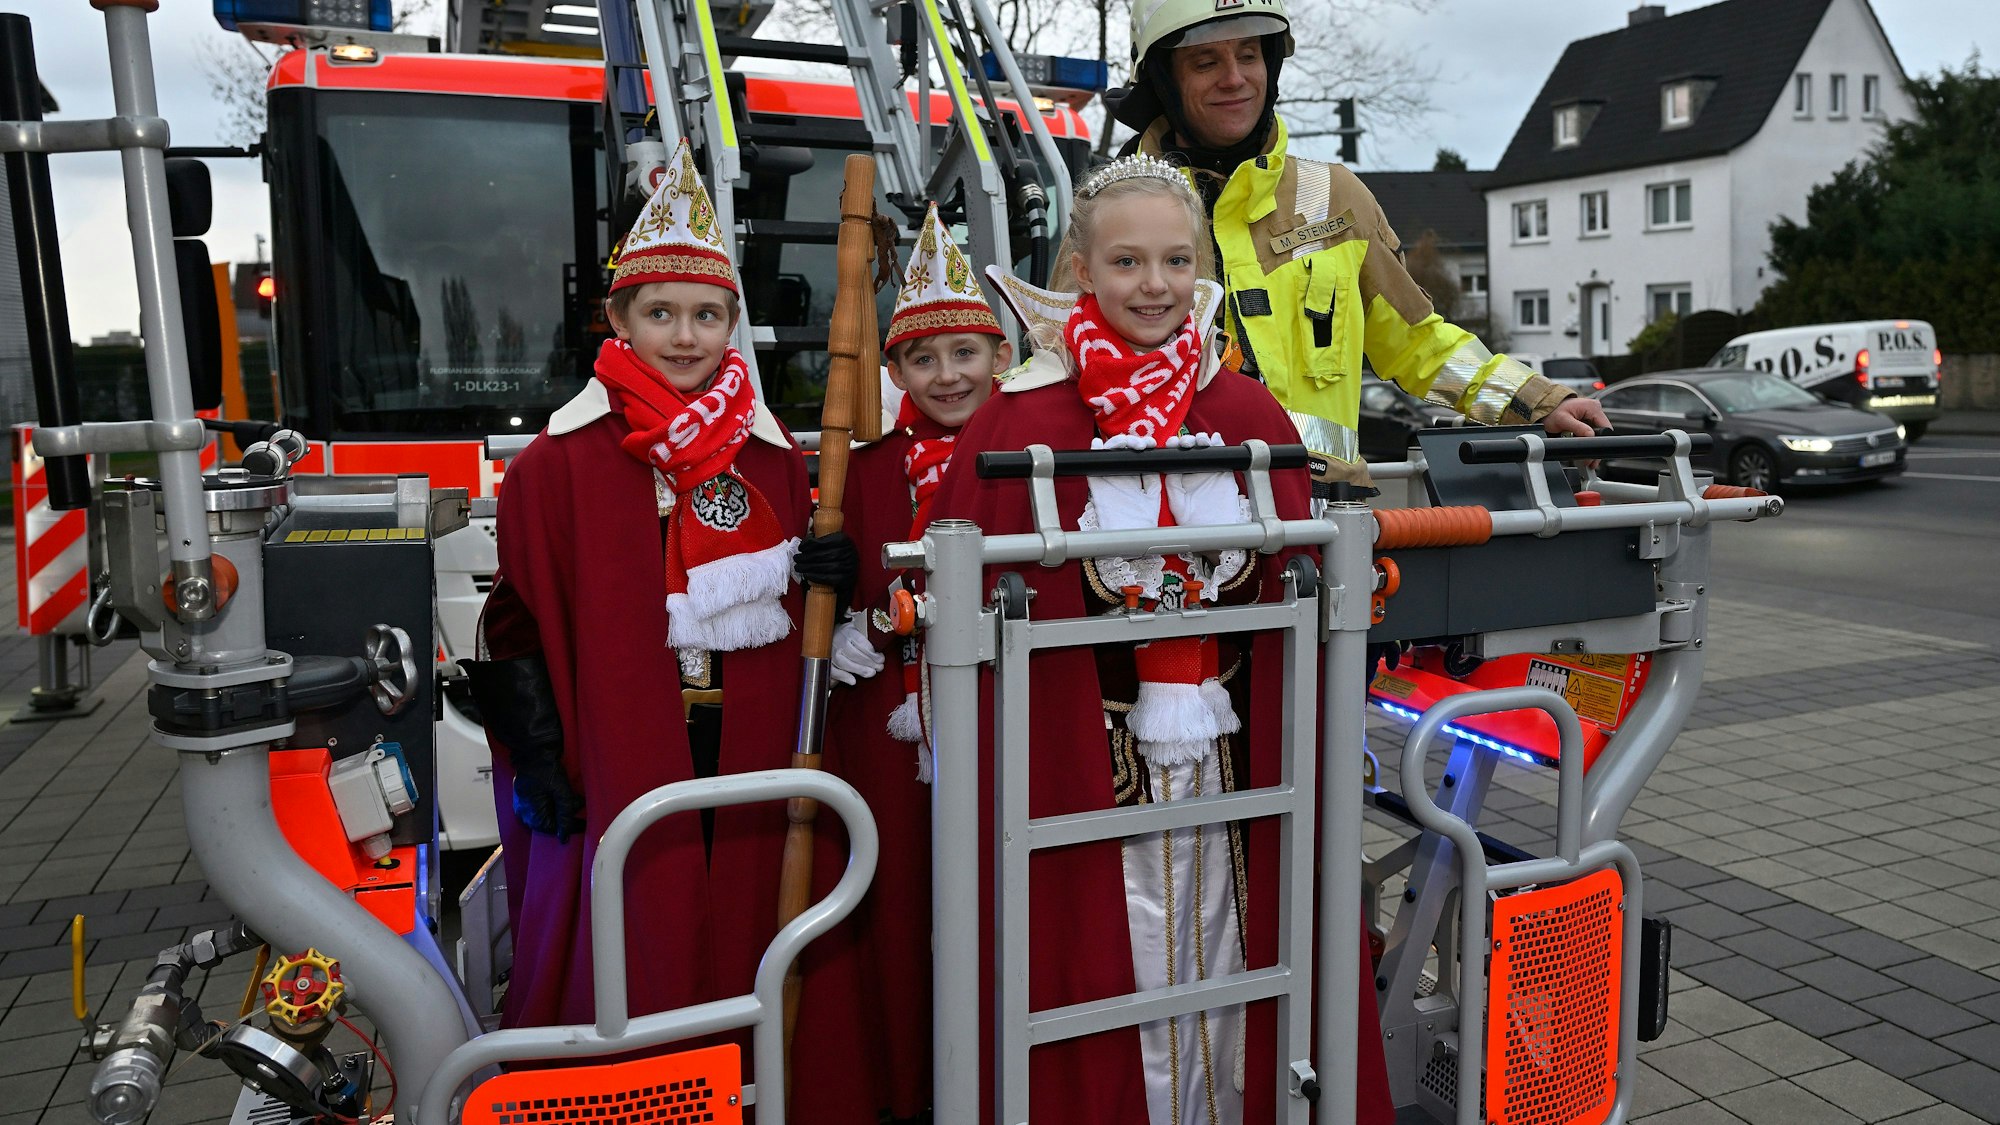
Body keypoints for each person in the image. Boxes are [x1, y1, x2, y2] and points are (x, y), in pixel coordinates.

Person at [932, 153, 1393, 1125]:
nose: (1155, 285)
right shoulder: (1019, 419)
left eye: (1176, 261)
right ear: (1082, 270)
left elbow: (1297, 588)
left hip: (1235, 769)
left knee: (1240, 964)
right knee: (1099, 976)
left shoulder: (1243, 410)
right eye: (1127, 261)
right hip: (1081, 772)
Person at [468, 139, 870, 1115]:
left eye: (706, 315)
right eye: (660, 314)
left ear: (732, 323)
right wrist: (542, 749)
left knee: (749, 920)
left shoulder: (771, 461)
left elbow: (807, 625)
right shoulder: (556, 464)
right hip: (614, 748)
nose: (684, 337)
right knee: (627, 934)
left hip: (744, 747)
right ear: (618, 319)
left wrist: (832, 570)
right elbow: (512, 617)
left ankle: (751, 1090)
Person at [1108, 0, 1608, 491]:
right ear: (1164, 80)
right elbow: (1073, 361)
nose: (1235, 78)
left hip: (1327, 512)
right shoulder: (1113, 212)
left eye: (1249, 55)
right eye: (1206, 62)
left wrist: (1537, 401)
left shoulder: (1336, 198)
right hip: (1174, 518)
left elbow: (1418, 343)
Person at [819, 200, 1013, 1122]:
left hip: (1007, 724)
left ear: (999, 357)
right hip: (896, 742)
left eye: (965, 352)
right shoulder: (863, 469)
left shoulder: (1029, 457)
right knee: (901, 911)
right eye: (924, 358)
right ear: (894, 370)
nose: (948, 374)